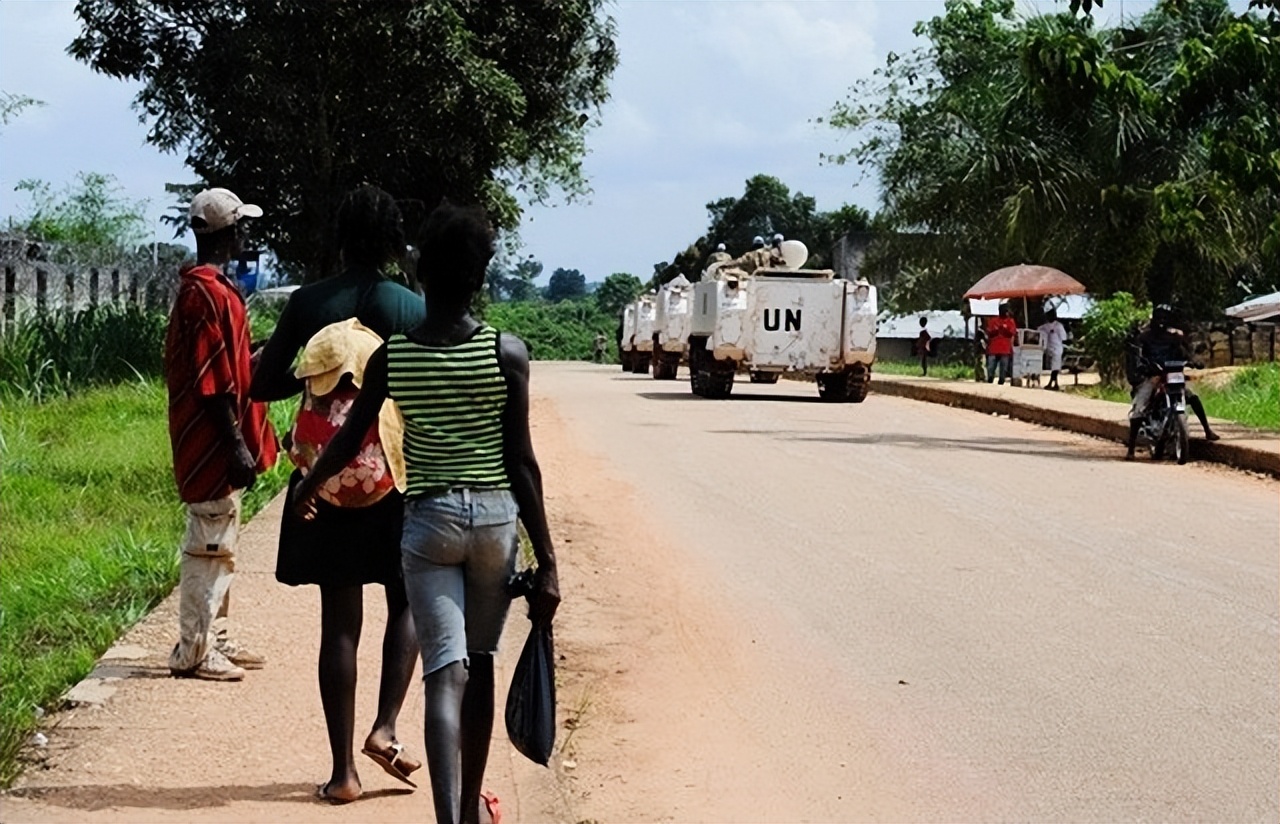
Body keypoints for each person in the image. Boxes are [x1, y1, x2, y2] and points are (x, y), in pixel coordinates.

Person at [292, 202, 559, 824]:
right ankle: (470, 809)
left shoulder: (395, 357)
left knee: (445, 673)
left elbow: (351, 435)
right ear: (480, 276)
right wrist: (547, 561)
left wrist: (308, 488)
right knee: (482, 662)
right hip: (494, 522)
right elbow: (522, 462)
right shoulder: (507, 353)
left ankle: (448, 820)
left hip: (428, 522)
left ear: (421, 269)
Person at [250, 184, 425, 803]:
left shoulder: (309, 301)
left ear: (341, 238)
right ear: (392, 241)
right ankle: (385, 727)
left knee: (340, 623)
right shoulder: (410, 306)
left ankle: (343, 775)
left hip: (325, 482)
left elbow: (265, 384)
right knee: (404, 601)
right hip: (394, 476)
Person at [165, 187, 278, 682]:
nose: (246, 234)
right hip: (212, 441)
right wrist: (234, 447)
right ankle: (194, 649)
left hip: (216, 436)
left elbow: (228, 364)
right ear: (229, 231)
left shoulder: (211, 288)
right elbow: (212, 386)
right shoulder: (205, 294)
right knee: (209, 544)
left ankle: (217, 636)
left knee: (222, 540)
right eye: (242, 226)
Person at [1125, 304, 1221, 459]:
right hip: (1154, 376)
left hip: (1173, 373)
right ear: (1154, 319)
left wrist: (1193, 361)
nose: (1162, 322)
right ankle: (1131, 449)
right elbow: (1138, 355)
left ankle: (1207, 430)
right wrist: (1143, 366)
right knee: (1139, 409)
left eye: (1165, 318)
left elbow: (1185, 353)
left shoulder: (1175, 337)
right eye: (1159, 318)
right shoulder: (1144, 337)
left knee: (1193, 398)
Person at [985, 303, 1017, 384]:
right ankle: (990, 378)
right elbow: (989, 332)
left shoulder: (1010, 321)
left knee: (1003, 367)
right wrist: (996, 330)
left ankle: (1001, 380)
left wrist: (1004, 329)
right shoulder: (993, 320)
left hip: (1005, 348)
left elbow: (1012, 333)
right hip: (994, 347)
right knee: (991, 366)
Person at [1037, 310, 1068, 390]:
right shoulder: (1044, 327)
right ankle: (1054, 383)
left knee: (1055, 367)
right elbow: (1038, 331)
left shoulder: (1058, 326)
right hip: (1048, 349)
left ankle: (1053, 383)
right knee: (1053, 367)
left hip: (1057, 349)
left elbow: (1063, 337)